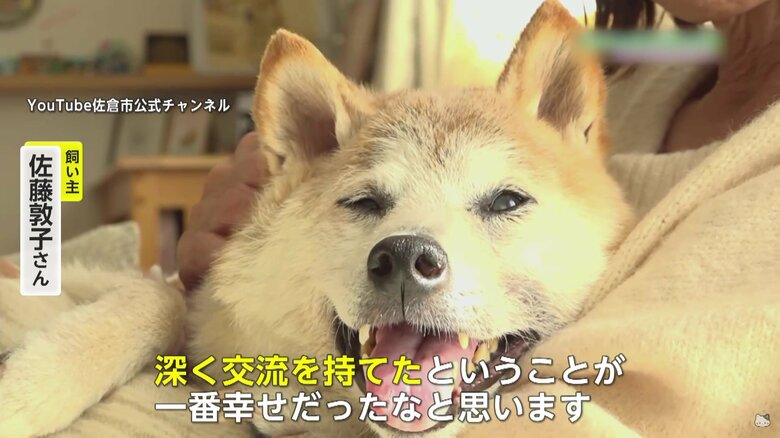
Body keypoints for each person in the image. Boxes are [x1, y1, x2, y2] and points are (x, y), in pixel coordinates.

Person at [178, 0, 779, 435]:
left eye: (505, 202)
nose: (409, 255)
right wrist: (236, 240)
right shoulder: (635, 88)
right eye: (366, 204)